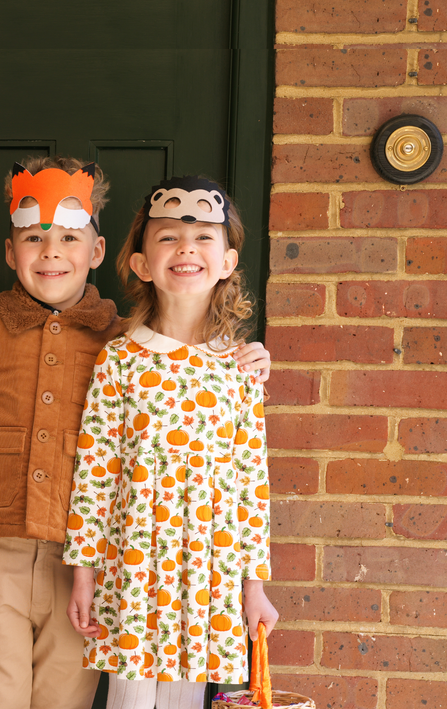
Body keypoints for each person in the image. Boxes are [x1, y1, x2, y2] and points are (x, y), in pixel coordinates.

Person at [0, 158, 273, 709]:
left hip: (81, 560)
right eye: (34, 238)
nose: (51, 252)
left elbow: (185, 378)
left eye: (69, 238)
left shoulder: (124, 343)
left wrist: (242, 357)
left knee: (65, 700)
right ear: (10, 252)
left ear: (98, 251)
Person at [63, 176, 278, 709]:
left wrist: (254, 587)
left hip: (210, 567)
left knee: (186, 700)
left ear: (227, 262)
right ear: (141, 264)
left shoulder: (239, 367)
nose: (186, 248)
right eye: (168, 237)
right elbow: (94, 473)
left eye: (204, 237)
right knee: (130, 699)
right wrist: (83, 576)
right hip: (133, 563)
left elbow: (252, 484)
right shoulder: (120, 360)